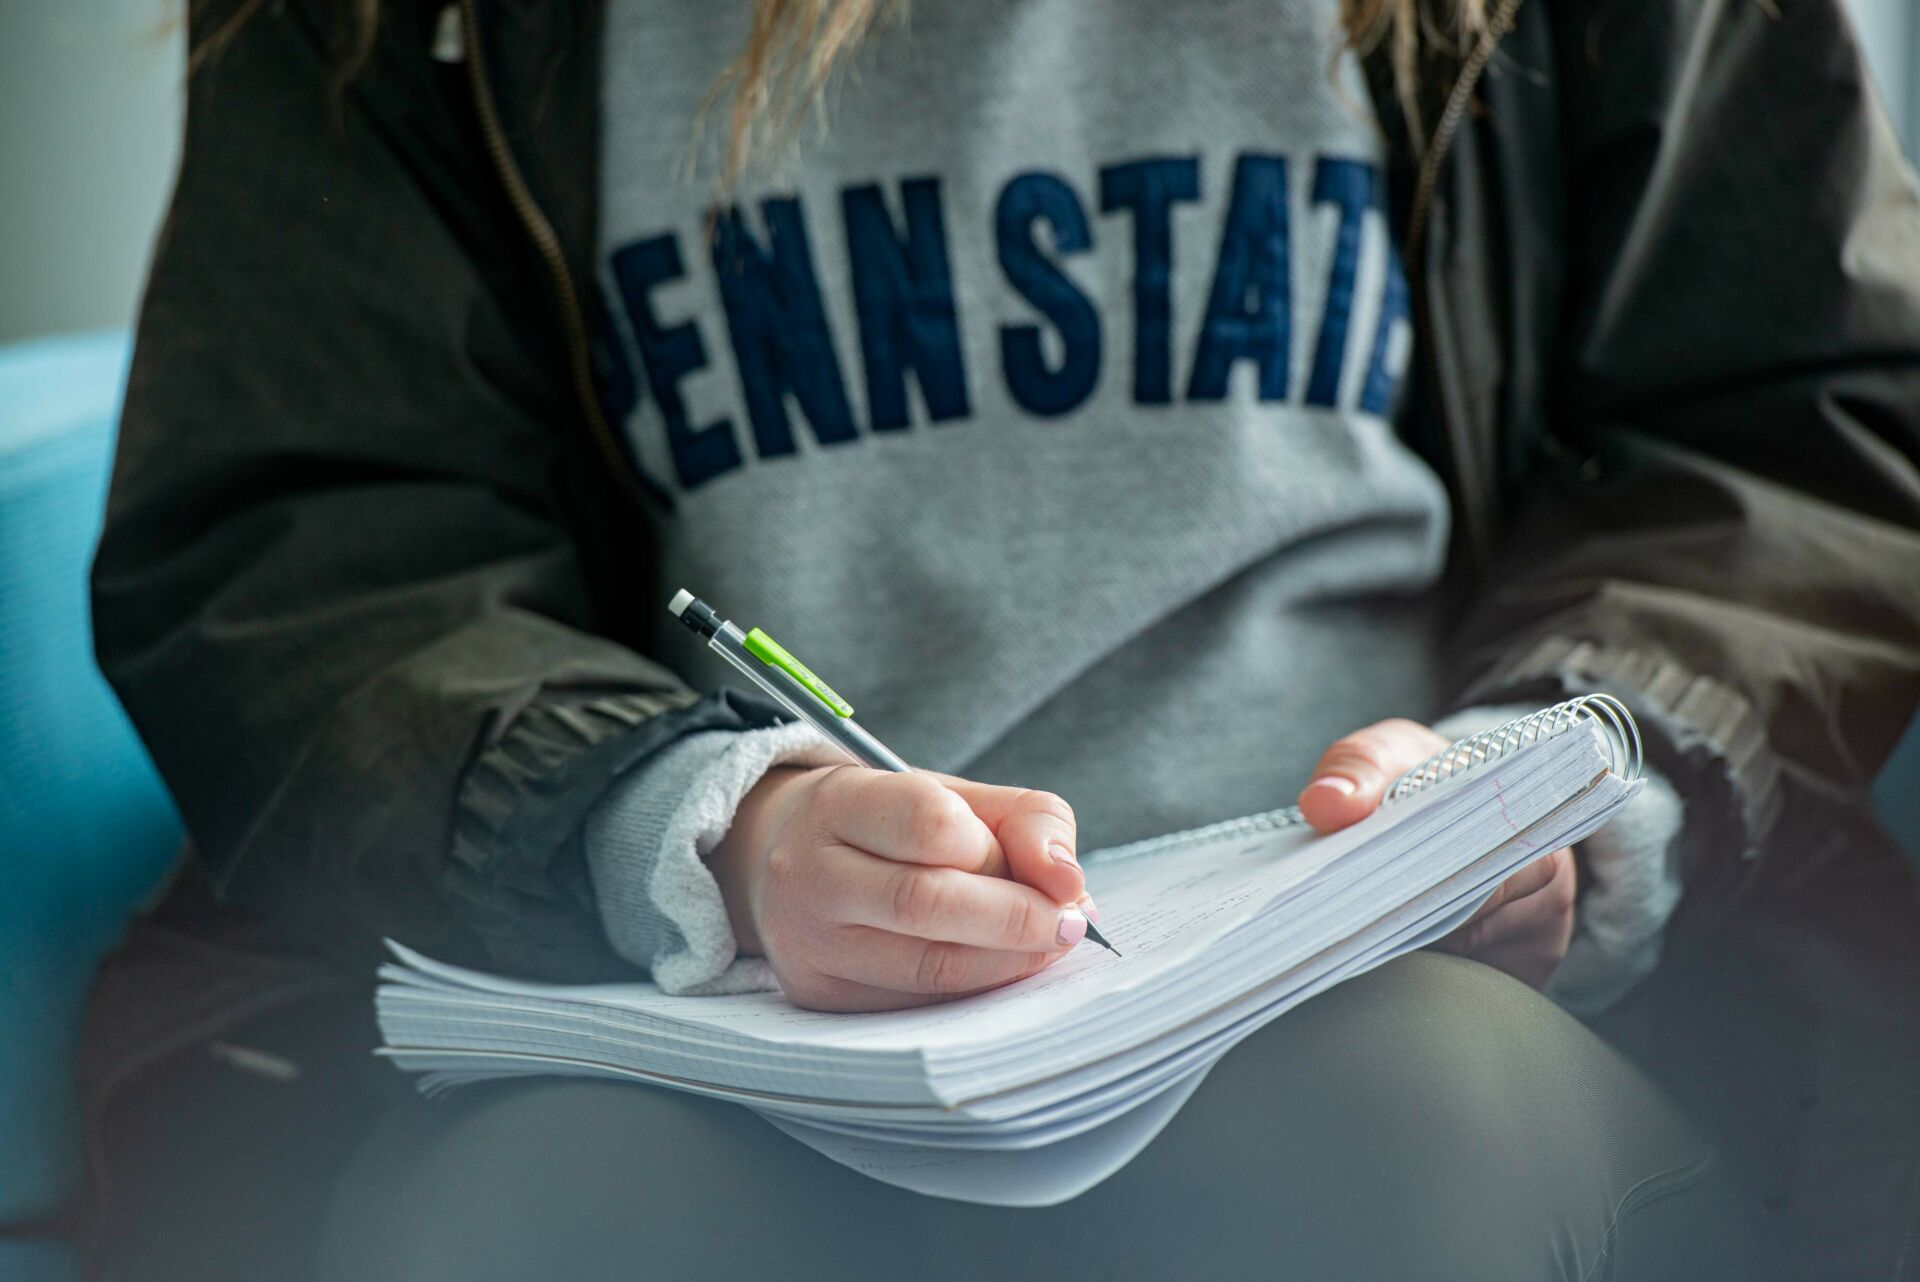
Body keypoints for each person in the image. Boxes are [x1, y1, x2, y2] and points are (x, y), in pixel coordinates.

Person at [77, 0, 1920, 1277]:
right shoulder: (407, 35)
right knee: (572, 1205)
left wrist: (1562, 797)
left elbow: (1801, 429)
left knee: (1392, 1113)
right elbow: (312, 545)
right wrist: (696, 824)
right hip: (705, 1028)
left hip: (1431, 1003)